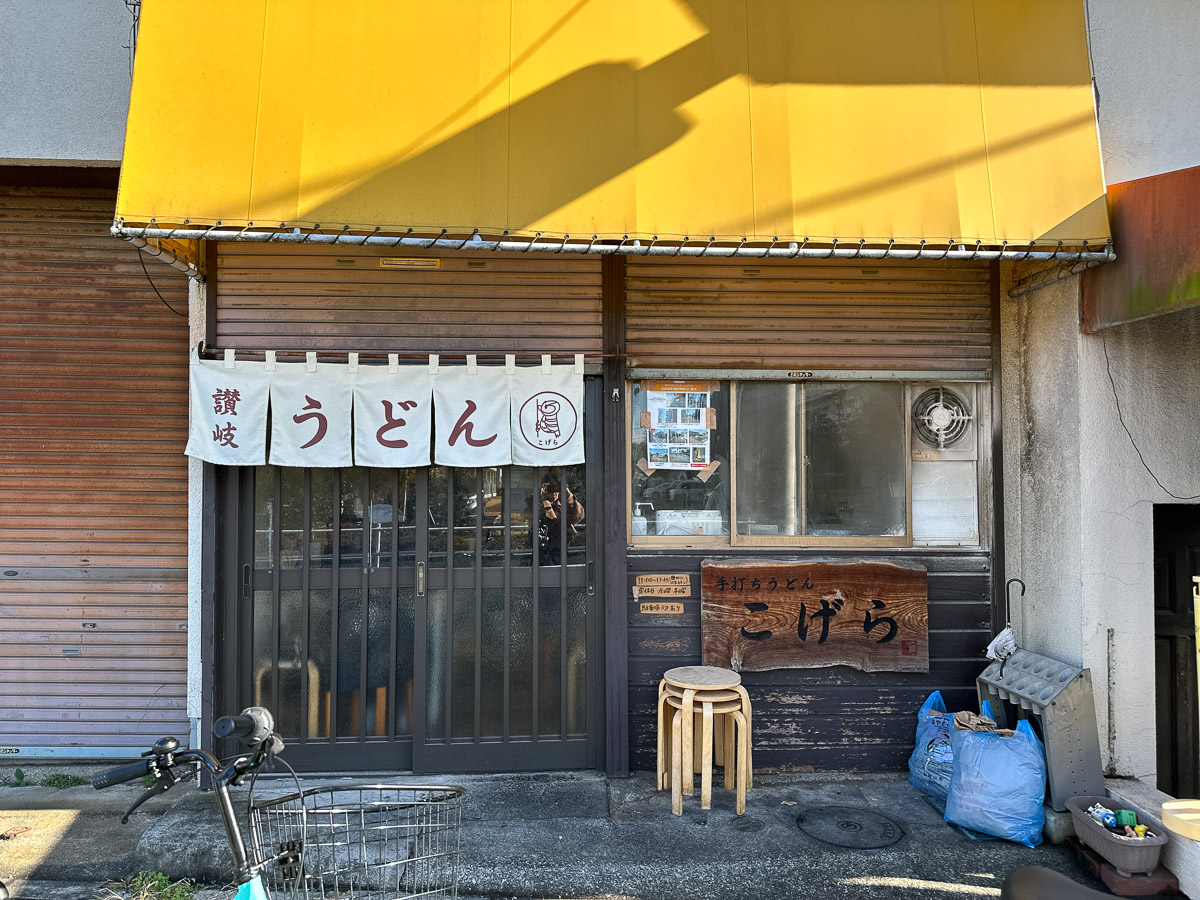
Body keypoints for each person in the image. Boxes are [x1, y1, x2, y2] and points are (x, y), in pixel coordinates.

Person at [538, 472, 584, 565]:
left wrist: (568, 494)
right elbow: (552, 522)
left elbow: (578, 516)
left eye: (557, 489)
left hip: (560, 550)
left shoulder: (562, 506)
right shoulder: (537, 503)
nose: (555, 493)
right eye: (551, 489)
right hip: (543, 550)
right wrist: (544, 500)